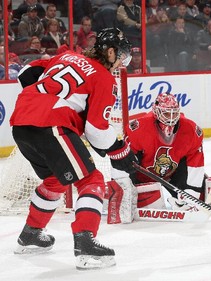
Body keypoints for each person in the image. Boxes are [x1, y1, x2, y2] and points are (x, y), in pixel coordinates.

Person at [10, 27, 134, 269]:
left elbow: (25, 73)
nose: (121, 63)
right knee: (92, 180)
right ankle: (85, 242)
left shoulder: (66, 56)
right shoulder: (104, 78)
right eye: (120, 56)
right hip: (51, 124)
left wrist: (48, 99)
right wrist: (119, 150)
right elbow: (96, 130)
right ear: (109, 52)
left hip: (21, 122)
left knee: (56, 180)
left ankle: (31, 234)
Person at [112, 93, 211, 216]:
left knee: (199, 200)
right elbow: (124, 162)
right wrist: (122, 192)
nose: (171, 117)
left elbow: (195, 165)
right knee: (154, 208)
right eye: (167, 113)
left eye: (174, 113)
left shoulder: (191, 130)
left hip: (172, 175)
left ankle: (202, 188)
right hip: (144, 178)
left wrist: (191, 196)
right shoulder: (139, 128)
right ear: (156, 111)